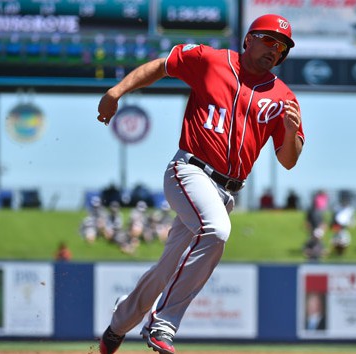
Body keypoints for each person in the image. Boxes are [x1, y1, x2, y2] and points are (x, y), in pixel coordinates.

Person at [96, 14, 303, 354]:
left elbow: (289, 160)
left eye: (281, 47)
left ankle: (117, 326)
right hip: (189, 170)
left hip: (226, 192)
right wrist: (116, 91)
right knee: (217, 231)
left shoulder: (283, 98)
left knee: (167, 270)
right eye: (268, 40)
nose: (274, 50)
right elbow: (162, 66)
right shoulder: (210, 60)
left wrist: (292, 132)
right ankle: (162, 325)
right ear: (248, 39)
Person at [330, 191, 356, 255]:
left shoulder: (350, 209)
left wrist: (351, 224)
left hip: (345, 227)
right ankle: (337, 251)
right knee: (336, 240)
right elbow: (334, 218)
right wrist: (333, 224)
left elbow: (352, 219)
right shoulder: (337, 208)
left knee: (344, 240)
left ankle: (342, 252)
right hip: (337, 226)